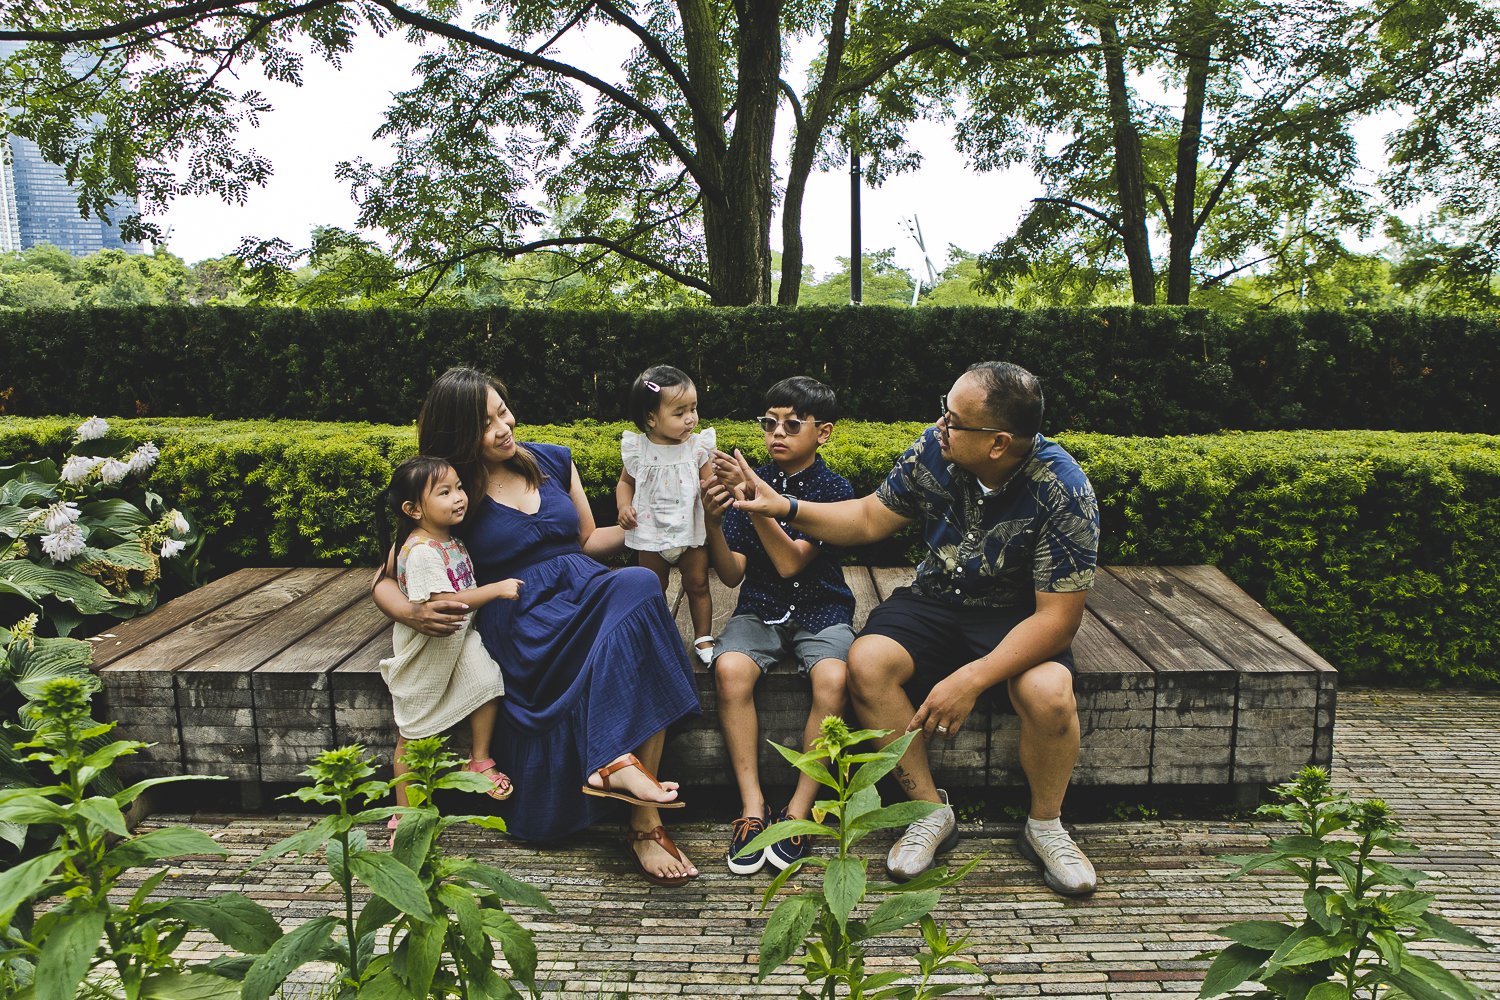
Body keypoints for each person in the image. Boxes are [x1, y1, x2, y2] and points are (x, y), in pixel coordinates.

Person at [715, 361, 1101, 896]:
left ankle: (1045, 825)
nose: (940, 425)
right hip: (936, 598)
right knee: (868, 661)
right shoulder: (931, 451)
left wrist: (971, 680)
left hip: (1015, 616)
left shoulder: (1063, 489)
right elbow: (870, 517)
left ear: (997, 443)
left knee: (1050, 691)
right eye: (944, 412)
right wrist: (784, 506)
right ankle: (928, 812)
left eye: (954, 420)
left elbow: (1058, 621)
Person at [372, 367, 702, 886]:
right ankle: (625, 785)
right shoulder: (449, 486)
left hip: (584, 589)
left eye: (503, 411)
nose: (505, 427)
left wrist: (660, 518)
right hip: (523, 619)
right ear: (457, 431)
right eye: (486, 423)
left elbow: (589, 540)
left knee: (638, 584)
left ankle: (641, 811)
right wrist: (408, 611)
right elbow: (388, 574)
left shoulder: (551, 458)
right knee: (640, 631)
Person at [700, 376, 854, 875]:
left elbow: (791, 563)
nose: (777, 434)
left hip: (822, 607)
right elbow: (730, 574)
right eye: (769, 424)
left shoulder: (835, 490)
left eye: (792, 424)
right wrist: (715, 525)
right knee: (729, 672)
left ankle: (798, 811)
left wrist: (758, 500)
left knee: (834, 678)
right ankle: (752, 807)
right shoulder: (751, 480)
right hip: (760, 605)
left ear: (823, 432)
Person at [377, 456, 522, 839]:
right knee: (413, 728)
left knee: (487, 681)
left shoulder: (449, 540)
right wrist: (496, 589)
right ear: (413, 509)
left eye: (459, 487)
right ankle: (404, 815)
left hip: (459, 639)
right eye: (445, 492)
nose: (459, 497)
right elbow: (447, 602)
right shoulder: (423, 551)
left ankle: (479, 759)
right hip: (427, 650)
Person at [616, 365, 718, 665]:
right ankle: (657, 634)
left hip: (690, 532)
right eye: (679, 412)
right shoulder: (639, 449)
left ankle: (703, 636)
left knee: (698, 583)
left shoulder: (697, 447)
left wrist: (718, 490)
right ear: (651, 418)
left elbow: (708, 484)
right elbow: (625, 483)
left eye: (694, 409)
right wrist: (624, 506)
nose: (691, 418)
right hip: (650, 532)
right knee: (652, 586)